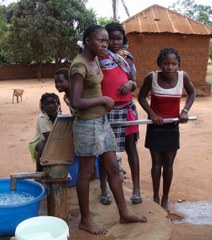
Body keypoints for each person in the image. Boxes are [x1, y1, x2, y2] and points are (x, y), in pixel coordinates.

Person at [69, 24, 147, 235]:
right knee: (86, 172)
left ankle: (124, 213)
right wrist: (104, 99)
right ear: (87, 42)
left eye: (106, 40)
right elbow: (75, 100)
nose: (105, 44)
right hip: (87, 125)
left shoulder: (95, 60)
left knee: (113, 168)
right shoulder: (79, 66)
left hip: (102, 122)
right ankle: (86, 220)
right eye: (101, 40)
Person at [138, 47, 195, 211]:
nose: (169, 67)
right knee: (156, 164)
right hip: (155, 127)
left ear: (178, 65)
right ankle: (155, 196)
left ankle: (165, 198)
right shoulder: (152, 77)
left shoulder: (183, 77)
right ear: (159, 64)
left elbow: (192, 93)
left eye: (173, 64)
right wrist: (152, 114)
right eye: (165, 63)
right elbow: (141, 96)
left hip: (172, 127)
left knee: (168, 164)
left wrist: (185, 111)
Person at [99, 22, 142, 205]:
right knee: (104, 152)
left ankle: (136, 189)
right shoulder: (99, 58)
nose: (115, 42)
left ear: (123, 39)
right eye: (111, 39)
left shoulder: (127, 57)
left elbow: (133, 81)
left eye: (118, 38)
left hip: (126, 108)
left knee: (131, 148)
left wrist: (130, 84)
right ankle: (104, 188)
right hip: (105, 110)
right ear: (105, 40)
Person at [29, 92, 62, 172]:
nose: (51, 106)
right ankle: (38, 172)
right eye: (47, 104)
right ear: (42, 107)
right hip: (40, 141)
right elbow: (49, 138)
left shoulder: (62, 116)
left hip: (57, 140)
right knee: (43, 146)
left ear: (58, 104)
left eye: (53, 103)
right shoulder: (42, 118)